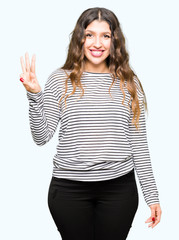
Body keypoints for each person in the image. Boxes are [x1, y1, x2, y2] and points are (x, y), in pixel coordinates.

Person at [19, 7, 162, 240]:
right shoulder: (60, 79)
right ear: (80, 39)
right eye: (89, 35)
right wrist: (35, 95)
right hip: (69, 190)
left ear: (114, 40)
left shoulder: (129, 83)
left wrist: (152, 196)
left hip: (119, 190)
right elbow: (41, 136)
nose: (98, 43)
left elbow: (139, 145)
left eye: (105, 35)